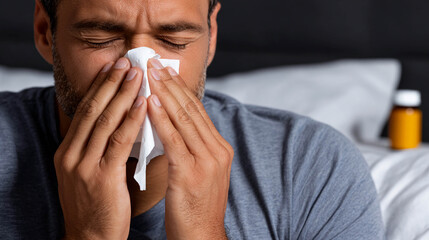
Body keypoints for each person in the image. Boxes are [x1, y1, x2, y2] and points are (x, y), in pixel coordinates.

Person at [0, 0, 385, 239]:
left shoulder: (310, 167)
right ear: (45, 32)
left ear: (211, 36)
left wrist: (203, 232)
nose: (142, 70)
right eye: (100, 37)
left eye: (175, 41)